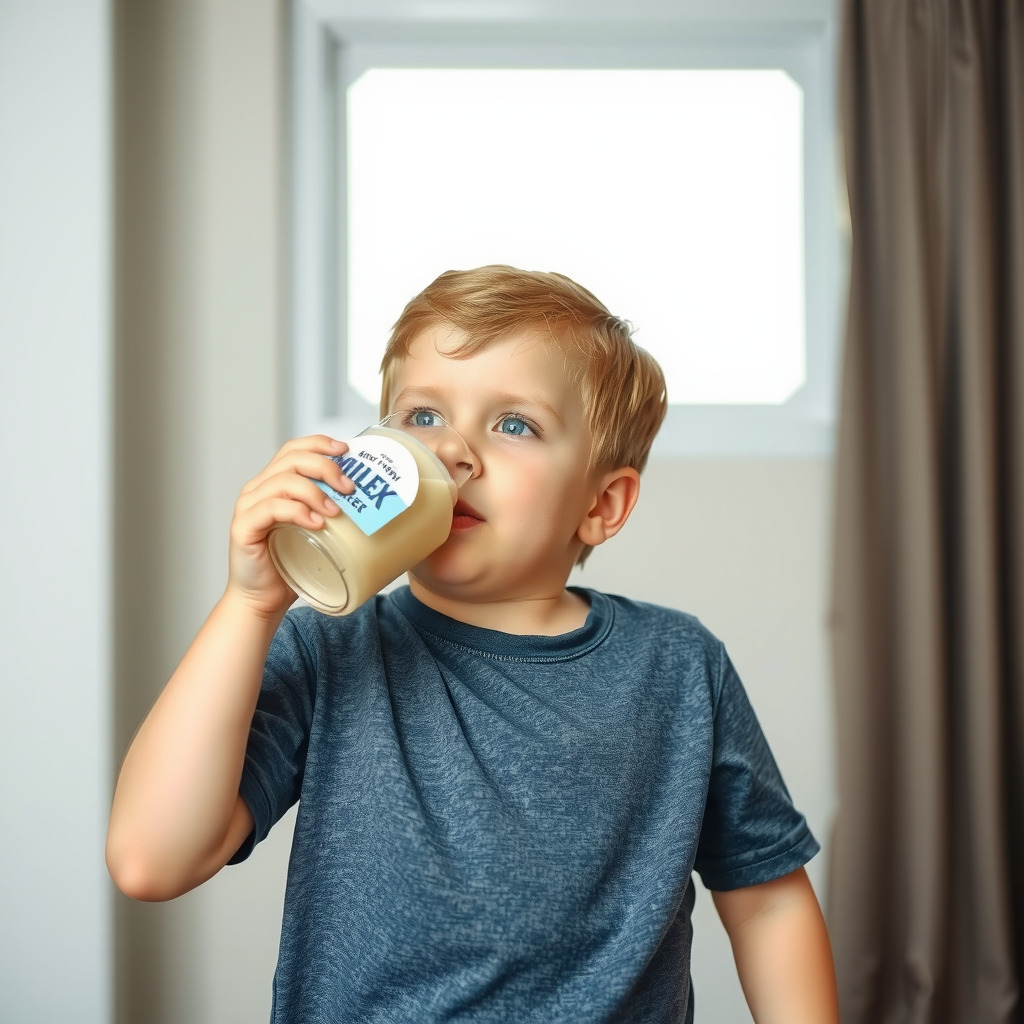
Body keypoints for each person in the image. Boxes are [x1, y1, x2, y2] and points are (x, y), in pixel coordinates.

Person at [106, 266, 839, 1023]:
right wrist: (251, 603)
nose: (452, 455)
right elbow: (150, 859)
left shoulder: (679, 667)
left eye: (513, 424)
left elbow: (767, 905)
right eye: (421, 417)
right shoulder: (331, 652)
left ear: (601, 504)